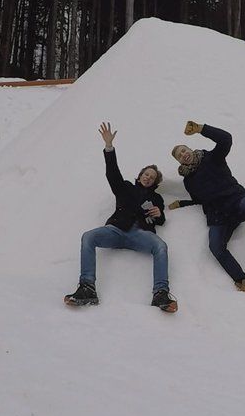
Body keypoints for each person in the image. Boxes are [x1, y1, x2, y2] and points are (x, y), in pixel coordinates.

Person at [64, 122, 178, 313]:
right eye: (146, 174)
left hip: (140, 233)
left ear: (155, 182)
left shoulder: (156, 198)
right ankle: (87, 288)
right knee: (88, 237)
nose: (148, 177)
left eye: (152, 177)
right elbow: (112, 173)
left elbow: (160, 219)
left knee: (161, 246)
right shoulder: (125, 187)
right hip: (116, 230)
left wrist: (159, 214)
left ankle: (161, 293)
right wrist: (109, 147)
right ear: (140, 175)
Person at [169, 121, 245, 293]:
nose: (183, 155)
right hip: (219, 214)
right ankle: (241, 279)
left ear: (190, 149)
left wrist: (201, 129)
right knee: (215, 247)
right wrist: (182, 203)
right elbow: (199, 199)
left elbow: (226, 139)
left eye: (184, 150)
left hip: (236, 201)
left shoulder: (211, 157)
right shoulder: (188, 181)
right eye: (179, 155)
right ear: (179, 161)